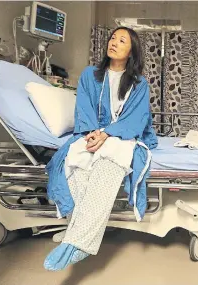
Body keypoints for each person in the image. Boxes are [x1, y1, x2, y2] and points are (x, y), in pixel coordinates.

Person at [43, 27, 158, 271]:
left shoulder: (139, 84)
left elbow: (137, 120)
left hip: (122, 136)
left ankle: (78, 242)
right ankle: (78, 234)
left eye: (122, 40)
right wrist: (93, 134)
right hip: (91, 133)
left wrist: (107, 134)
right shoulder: (90, 75)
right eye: (113, 38)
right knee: (75, 161)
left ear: (131, 51)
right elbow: (83, 109)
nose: (114, 42)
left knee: (109, 161)